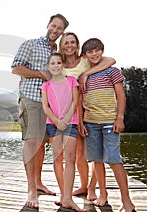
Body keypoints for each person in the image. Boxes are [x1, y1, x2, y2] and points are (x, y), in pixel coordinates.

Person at [11, 13, 69, 209]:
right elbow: (16, 68)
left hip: (50, 103)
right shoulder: (31, 44)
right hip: (31, 98)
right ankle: (31, 190)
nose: (55, 30)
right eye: (53, 26)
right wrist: (40, 74)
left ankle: (38, 182)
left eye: (59, 28)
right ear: (48, 25)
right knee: (32, 141)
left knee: (42, 144)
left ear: (62, 32)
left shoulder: (59, 52)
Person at [79, 38, 136, 212]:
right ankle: (102, 194)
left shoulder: (112, 71)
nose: (94, 54)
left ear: (102, 51)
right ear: (85, 55)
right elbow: (80, 100)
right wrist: (81, 122)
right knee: (96, 160)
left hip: (110, 122)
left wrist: (119, 117)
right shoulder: (82, 76)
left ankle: (126, 200)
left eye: (97, 50)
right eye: (90, 51)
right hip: (91, 123)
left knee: (114, 159)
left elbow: (121, 96)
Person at [58, 32, 116, 200]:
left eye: (73, 42)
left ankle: (92, 187)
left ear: (77, 46)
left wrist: (85, 74)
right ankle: (84, 186)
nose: (69, 45)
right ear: (62, 46)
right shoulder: (59, 65)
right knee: (78, 153)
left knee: (93, 152)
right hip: (69, 112)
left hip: (89, 110)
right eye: (66, 43)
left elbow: (110, 60)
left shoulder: (85, 61)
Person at [40, 52, 86, 212]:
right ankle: (63, 195)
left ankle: (68, 198)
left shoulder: (72, 81)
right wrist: (56, 120)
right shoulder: (45, 85)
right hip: (53, 125)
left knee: (71, 158)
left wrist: (65, 119)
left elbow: (75, 102)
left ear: (63, 65)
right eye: (52, 63)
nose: (56, 66)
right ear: (48, 67)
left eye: (59, 63)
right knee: (57, 158)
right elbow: (46, 107)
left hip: (70, 123)